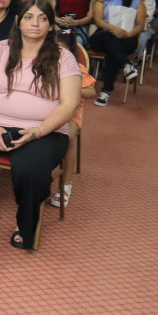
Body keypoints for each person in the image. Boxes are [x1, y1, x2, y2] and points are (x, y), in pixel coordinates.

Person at [0, 0, 80, 249]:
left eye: (43, 18)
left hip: (45, 129)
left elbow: (69, 104)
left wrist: (39, 131)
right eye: (29, 17)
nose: (35, 23)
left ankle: (26, 224)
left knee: (30, 169)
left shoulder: (63, 58)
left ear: (51, 26)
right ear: (19, 22)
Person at [51, 30, 96, 209]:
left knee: (67, 138)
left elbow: (92, 92)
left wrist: (70, 87)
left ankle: (66, 185)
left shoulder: (76, 67)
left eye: (60, 49)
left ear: (69, 50)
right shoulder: (41, 63)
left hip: (71, 115)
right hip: (45, 111)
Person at [88, 0, 145, 107]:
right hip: (104, 35)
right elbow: (98, 20)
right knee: (108, 37)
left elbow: (140, 25)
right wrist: (113, 29)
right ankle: (126, 65)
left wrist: (128, 34)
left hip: (127, 38)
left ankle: (106, 92)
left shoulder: (137, 1)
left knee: (112, 52)